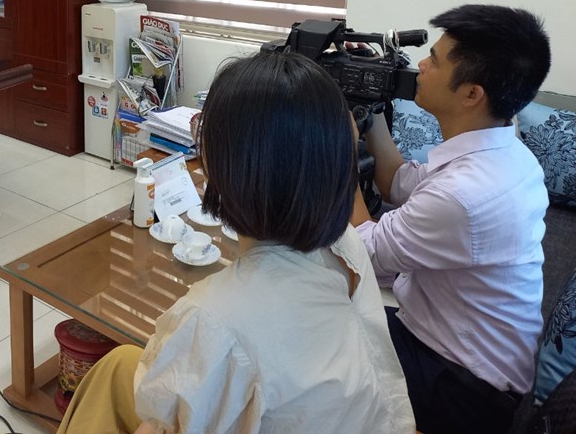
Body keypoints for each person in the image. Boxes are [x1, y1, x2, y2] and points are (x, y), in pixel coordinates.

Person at [57, 51, 416, 433]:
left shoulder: (213, 321)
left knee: (119, 383)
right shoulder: (347, 243)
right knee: (117, 365)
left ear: (228, 165)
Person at [350, 4, 552, 434]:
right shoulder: (505, 152)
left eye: (435, 60)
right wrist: (371, 110)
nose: (421, 66)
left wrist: (336, 148)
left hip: (461, 388)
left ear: (472, 94)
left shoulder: (465, 195)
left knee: (306, 327)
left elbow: (361, 251)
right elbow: (399, 183)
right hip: (472, 356)